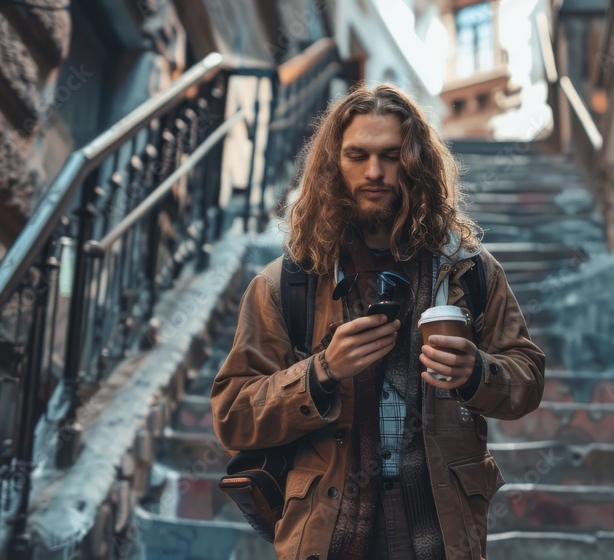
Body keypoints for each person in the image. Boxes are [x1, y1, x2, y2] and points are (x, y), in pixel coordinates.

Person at [210, 83, 545, 560]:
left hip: (439, 526)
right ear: (333, 164)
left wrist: (477, 371)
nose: (374, 172)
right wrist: (320, 372)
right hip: (328, 531)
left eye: (391, 155)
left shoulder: (469, 269)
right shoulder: (286, 283)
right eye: (357, 155)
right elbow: (232, 416)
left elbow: (527, 379)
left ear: (417, 163)